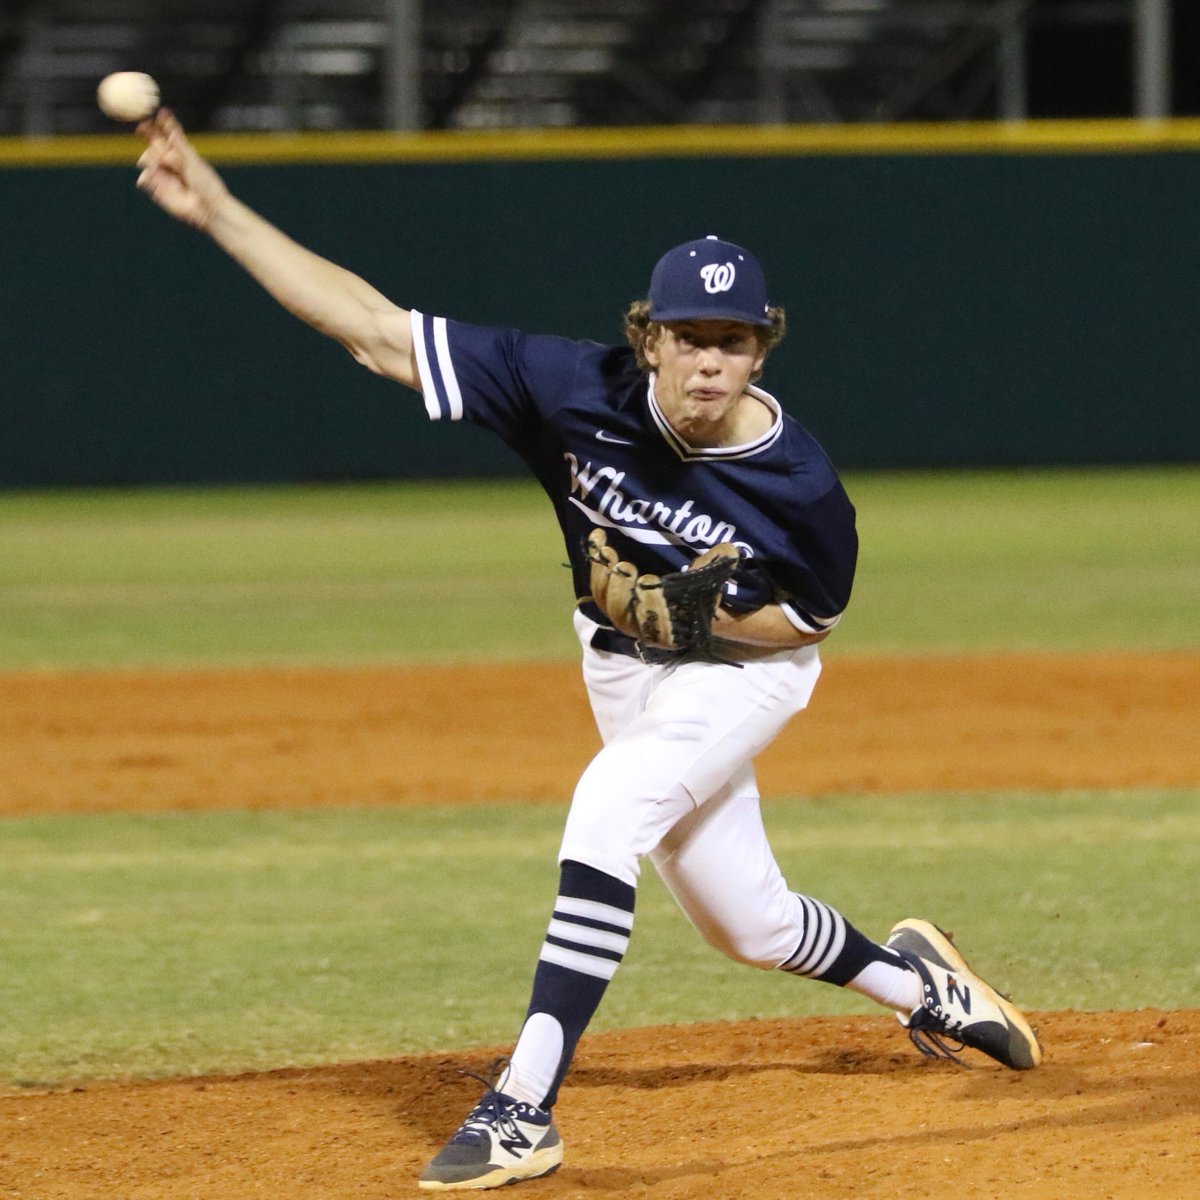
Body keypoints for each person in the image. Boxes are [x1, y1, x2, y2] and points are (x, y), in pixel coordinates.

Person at [134, 109, 1042, 1192]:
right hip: (617, 660)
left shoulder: (802, 489)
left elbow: (805, 625)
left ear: (763, 347)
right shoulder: (568, 387)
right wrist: (221, 210)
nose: (710, 364)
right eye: (689, 338)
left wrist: (694, 618)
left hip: (743, 675)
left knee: (610, 805)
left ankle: (523, 1107)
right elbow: (372, 328)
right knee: (745, 924)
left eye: (733, 342)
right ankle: (924, 988)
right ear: (647, 337)